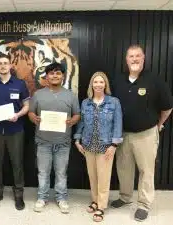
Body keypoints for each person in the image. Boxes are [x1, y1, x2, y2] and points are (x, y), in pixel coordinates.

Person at [111, 45, 173, 221]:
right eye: (131, 56)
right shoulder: (118, 80)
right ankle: (125, 197)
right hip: (123, 134)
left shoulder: (155, 80)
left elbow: (168, 107)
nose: (134, 59)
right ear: (126, 59)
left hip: (146, 134)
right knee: (124, 168)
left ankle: (144, 204)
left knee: (146, 170)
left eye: (138, 56)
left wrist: (158, 125)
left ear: (143, 59)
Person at [28, 62, 80, 214]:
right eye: (52, 73)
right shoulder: (38, 94)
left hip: (63, 142)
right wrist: (34, 118)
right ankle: (42, 197)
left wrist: (73, 121)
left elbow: (77, 114)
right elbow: (31, 112)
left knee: (61, 173)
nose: (55, 76)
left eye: (58, 73)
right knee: (43, 172)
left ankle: (61, 198)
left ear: (63, 76)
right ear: (46, 77)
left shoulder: (70, 95)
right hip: (43, 142)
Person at [0, 52, 30, 210]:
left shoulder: (20, 84)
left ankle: (18, 194)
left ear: (10, 65)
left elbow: (27, 106)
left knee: (17, 163)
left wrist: (18, 114)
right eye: (0, 63)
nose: (2, 65)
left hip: (15, 130)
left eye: (5, 63)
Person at [74, 72, 123, 222]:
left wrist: (114, 144)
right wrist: (77, 139)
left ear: (105, 84)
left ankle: (101, 206)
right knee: (93, 176)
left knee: (104, 177)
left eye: (101, 82)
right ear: (92, 85)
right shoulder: (85, 103)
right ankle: (95, 200)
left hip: (105, 146)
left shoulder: (113, 102)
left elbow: (118, 123)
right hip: (88, 145)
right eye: (95, 82)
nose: (98, 84)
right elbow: (81, 123)